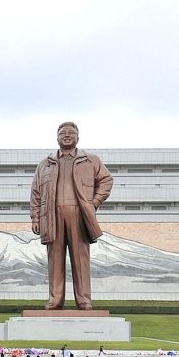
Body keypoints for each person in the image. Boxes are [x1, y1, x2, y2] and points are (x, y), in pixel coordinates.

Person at [30, 121, 113, 311]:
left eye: (71, 133)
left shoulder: (91, 160)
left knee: (81, 258)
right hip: (52, 216)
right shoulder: (45, 164)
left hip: (79, 215)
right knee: (55, 259)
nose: (67, 135)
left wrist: (93, 203)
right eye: (62, 133)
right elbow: (36, 192)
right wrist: (35, 217)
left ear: (78, 137)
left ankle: (84, 300)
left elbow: (106, 180)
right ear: (57, 138)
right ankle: (55, 300)